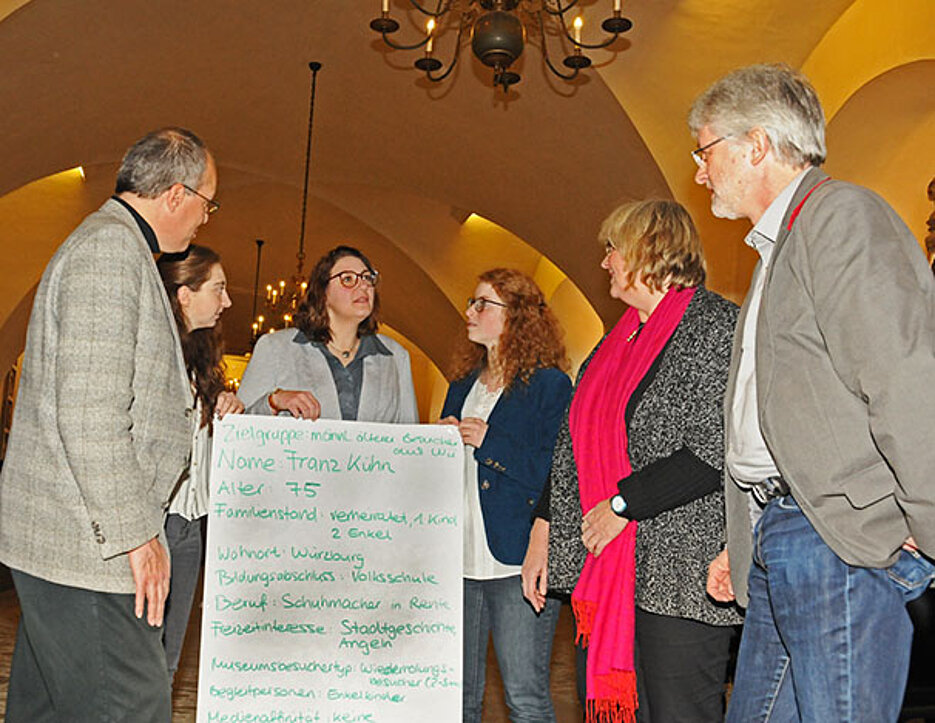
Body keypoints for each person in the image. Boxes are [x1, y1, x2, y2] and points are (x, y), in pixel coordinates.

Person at [691, 63, 935, 721]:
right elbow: (782, 415)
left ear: (756, 145)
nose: (699, 169)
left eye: (705, 148)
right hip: (783, 532)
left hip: (837, 542)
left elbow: (905, 377)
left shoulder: (840, 219)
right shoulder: (777, 248)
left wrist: (925, 520)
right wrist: (742, 537)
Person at [0, 127, 218, 722]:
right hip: (87, 546)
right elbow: (91, 414)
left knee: (43, 710)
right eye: (207, 202)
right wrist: (137, 536)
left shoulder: (117, 248)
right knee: (132, 707)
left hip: (69, 540)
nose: (205, 219)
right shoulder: (110, 252)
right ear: (176, 194)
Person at [525, 199, 740, 723]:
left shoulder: (715, 326)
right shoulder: (614, 342)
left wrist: (622, 504)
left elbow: (714, 447)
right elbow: (570, 444)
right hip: (604, 568)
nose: (605, 263)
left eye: (612, 249)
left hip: (680, 572)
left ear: (650, 249)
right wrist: (542, 531)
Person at [440, 268, 572, 723]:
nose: (469, 313)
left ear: (515, 316)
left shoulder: (551, 386)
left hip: (516, 559)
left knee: (525, 697)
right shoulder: (462, 384)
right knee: (456, 697)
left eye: (482, 304)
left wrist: (488, 440)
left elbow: (556, 471)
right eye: (472, 303)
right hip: (458, 558)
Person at [157, 244, 243, 683]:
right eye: (219, 288)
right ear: (184, 294)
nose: (227, 301)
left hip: (191, 524)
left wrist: (227, 407)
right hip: (156, 521)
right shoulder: (152, 351)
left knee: (169, 660)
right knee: (139, 654)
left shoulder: (201, 358)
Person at [238, 244, 418, 424]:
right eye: (348, 279)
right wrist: (274, 402)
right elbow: (237, 428)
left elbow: (409, 436)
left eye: (367, 278)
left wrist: (438, 437)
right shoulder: (275, 347)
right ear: (323, 293)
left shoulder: (396, 356)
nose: (363, 286)